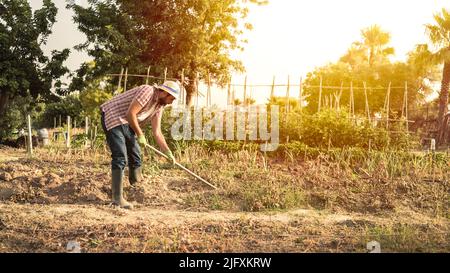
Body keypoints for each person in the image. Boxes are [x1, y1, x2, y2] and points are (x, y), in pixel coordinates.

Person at [100, 81, 180, 209]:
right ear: (165, 92)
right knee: (120, 157)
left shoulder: (159, 106)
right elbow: (131, 113)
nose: (172, 102)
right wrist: (140, 134)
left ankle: (136, 190)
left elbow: (157, 132)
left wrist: (167, 152)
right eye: (172, 98)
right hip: (113, 115)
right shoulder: (148, 91)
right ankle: (117, 198)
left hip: (126, 121)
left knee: (136, 156)